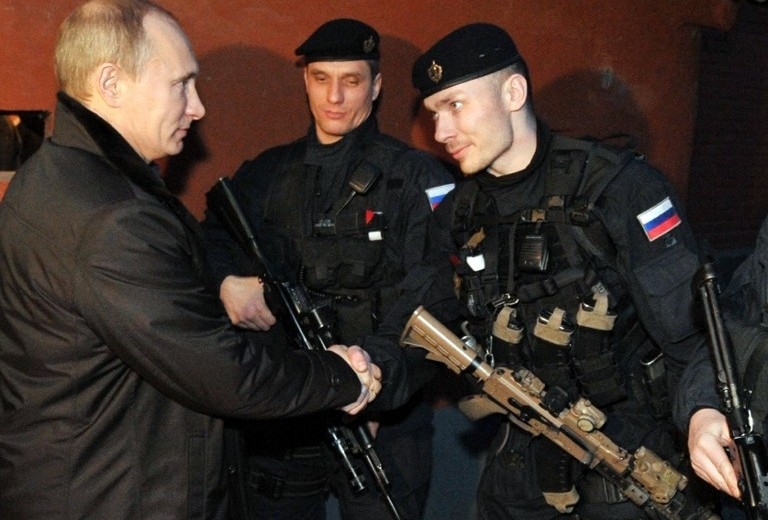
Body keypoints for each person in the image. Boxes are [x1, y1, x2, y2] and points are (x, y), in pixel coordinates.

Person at [0, 2, 382, 519]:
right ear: (111, 84)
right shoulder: (113, 217)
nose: (197, 106)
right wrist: (338, 374)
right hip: (117, 494)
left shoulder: (53, 172)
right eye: (181, 84)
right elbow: (222, 373)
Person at [408, 22, 736, 519]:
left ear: (513, 92)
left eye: (455, 106)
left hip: (624, 464)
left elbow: (692, 337)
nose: (441, 132)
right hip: (519, 465)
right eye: (434, 113)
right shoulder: (456, 213)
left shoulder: (621, 189)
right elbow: (422, 314)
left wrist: (704, 412)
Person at [201, 18, 456, 520]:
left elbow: (433, 292)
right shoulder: (268, 173)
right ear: (306, 81)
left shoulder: (416, 177)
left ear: (377, 85)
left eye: (352, 80)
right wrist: (226, 281)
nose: (334, 96)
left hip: (384, 421)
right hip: (286, 418)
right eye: (321, 78)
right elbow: (210, 236)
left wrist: (377, 380)